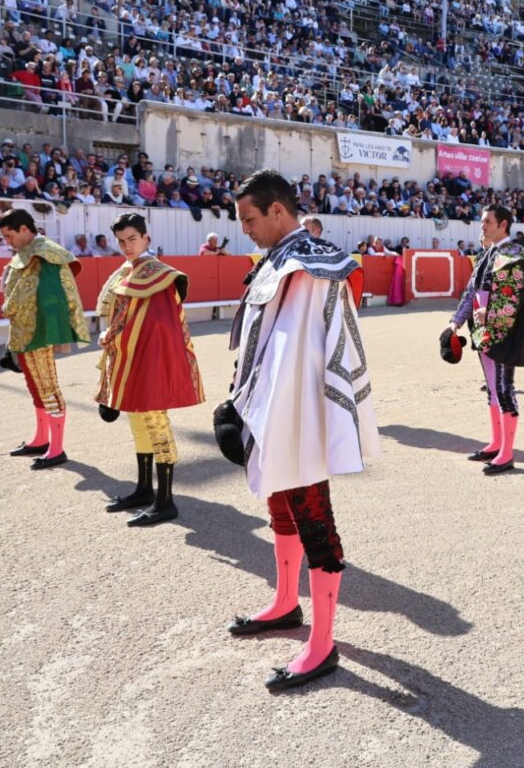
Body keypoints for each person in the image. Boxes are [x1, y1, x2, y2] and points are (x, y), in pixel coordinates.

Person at [221, 170, 378, 691]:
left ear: (277, 212)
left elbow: (299, 349)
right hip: (278, 408)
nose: (244, 228)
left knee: (315, 522)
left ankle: (323, 643)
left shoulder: (311, 263)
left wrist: (267, 409)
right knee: (281, 506)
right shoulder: (286, 260)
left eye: (249, 218)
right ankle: (287, 603)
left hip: (301, 411)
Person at [95, 212, 205, 526]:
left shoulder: (159, 273)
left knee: (157, 424)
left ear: (146, 239)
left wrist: (113, 335)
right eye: (121, 241)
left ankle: (166, 500)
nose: (126, 246)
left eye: (132, 239)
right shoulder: (128, 270)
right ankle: (144, 489)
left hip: (149, 359)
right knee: (138, 423)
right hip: (129, 358)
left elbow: (158, 325)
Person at [445, 204, 524, 474]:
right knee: (492, 387)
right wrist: (454, 323)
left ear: (503, 224)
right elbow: (471, 291)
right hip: (483, 331)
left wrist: (489, 313)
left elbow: (517, 299)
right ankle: (496, 442)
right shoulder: (486, 254)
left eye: (487, 221)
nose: (482, 225)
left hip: (506, 333)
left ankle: (507, 453)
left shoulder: (518, 255)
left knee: (504, 390)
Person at [0, 208, 90, 470]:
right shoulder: (30, 252)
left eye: (8, 236)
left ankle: (57, 448)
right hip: (24, 330)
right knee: (35, 386)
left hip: (38, 331)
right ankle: (41, 439)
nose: (7, 242)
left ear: (24, 229)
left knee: (48, 387)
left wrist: (11, 308)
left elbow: (42, 294)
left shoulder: (43, 252)